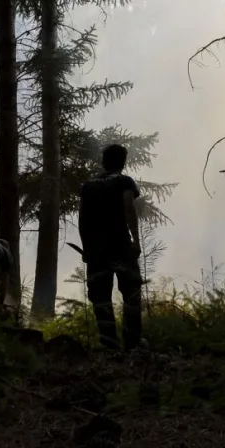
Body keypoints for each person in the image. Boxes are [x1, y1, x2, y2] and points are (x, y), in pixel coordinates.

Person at [78, 144, 144, 351]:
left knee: (100, 295)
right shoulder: (124, 182)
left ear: (103, 161)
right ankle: (132, 343)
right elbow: (129, 210)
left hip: (96, 250)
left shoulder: (88, 186)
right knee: (131, 291)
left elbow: (82, 219)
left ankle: (109, 343)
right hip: (120, 245)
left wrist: (86, 247)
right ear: (122, 163)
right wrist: (136, 241)